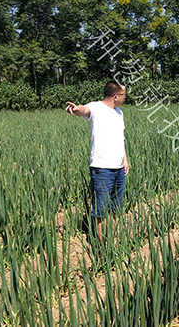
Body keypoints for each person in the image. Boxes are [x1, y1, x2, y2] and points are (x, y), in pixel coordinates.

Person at [65, 81, 129, 241]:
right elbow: (83, 110)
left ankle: (111, 240)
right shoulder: (96, 107)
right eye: (124, 95)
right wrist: (75, 109)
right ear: (115, 96)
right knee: (101, 210)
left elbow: (120, 138)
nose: (125, 98)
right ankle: (101, 247)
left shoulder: (119, 112)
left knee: (115, 207)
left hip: (119, 168)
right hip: (102, 168)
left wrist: (125, 160)